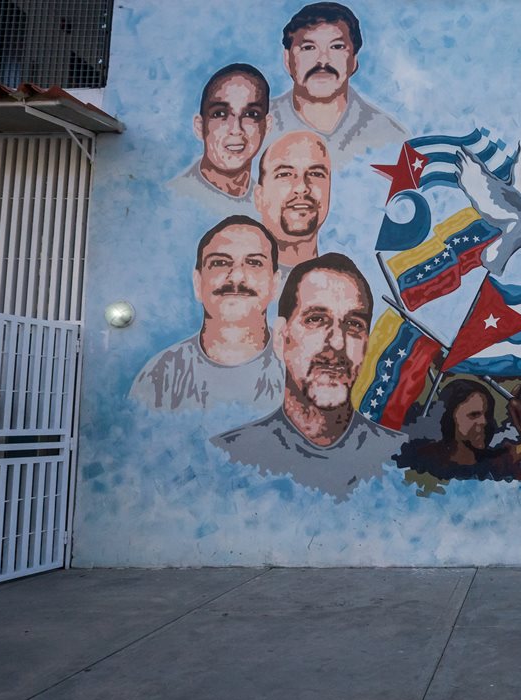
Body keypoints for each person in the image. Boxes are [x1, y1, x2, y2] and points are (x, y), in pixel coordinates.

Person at [211, 252, 403, 497]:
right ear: (281, 338)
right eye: (316, 319)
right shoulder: (228, 460)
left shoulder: (400, 463)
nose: (337, 343)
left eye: (354, 324)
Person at [130, 216, 284, 411]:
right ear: (197, 283)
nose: (236, 276)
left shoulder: (297, 370)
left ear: (275, 284)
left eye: (253, 263)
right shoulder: (161, 376)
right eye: (220, 263)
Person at [268, 2, 408, 167]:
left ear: (354, 60)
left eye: (337, 47)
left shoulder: (391, 139)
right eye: (308, 47)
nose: (323, 60)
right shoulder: (255, 130)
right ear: (287, 59)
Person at [395, 378, 521, 488]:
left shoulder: (508, 460)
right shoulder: (423, 461)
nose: (483, 422)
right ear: (449, 417)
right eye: (474, 415)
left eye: (486, 414)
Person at [168, 64, 270, 209]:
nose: (236, 129)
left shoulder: (267, 208)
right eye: (220, 114)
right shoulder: (175, 198)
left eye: (251, 114)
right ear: (199, 126)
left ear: (267, 126)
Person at [254, 131, 331, 271]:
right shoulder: (238, 284)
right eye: (285, 174)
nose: (302, 187)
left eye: (316, 174)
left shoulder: (343, 285)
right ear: (259, 197)